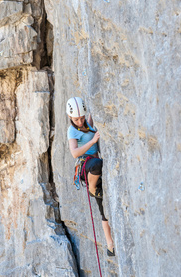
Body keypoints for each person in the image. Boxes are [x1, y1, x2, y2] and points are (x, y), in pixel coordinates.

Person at [67, 97, 115, 256]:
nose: (80, 121)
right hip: (85, 167)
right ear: (70, 118)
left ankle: (110, 245)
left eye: (81, 118)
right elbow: (74, 153)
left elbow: (90, 121)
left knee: (103, 209)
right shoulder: (71, 131)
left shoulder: (86, 124)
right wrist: (93, 140)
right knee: (96, 164)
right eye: (76, 119)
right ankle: (92, 188)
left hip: (95, 166)